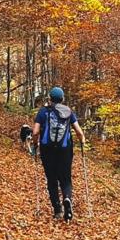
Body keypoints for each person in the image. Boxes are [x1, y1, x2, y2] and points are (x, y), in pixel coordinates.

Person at [32, 86, 84, 221]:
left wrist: (35, 143)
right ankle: (67, 198)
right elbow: (79, 132)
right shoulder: (68, 112)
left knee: (51, 179)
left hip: (47, 149)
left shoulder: (43, 111)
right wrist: (82, 142)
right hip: (65, 150)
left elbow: (35, 132)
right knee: (65, 178)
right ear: (62, 99)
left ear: (50, 98)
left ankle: (57, 210)